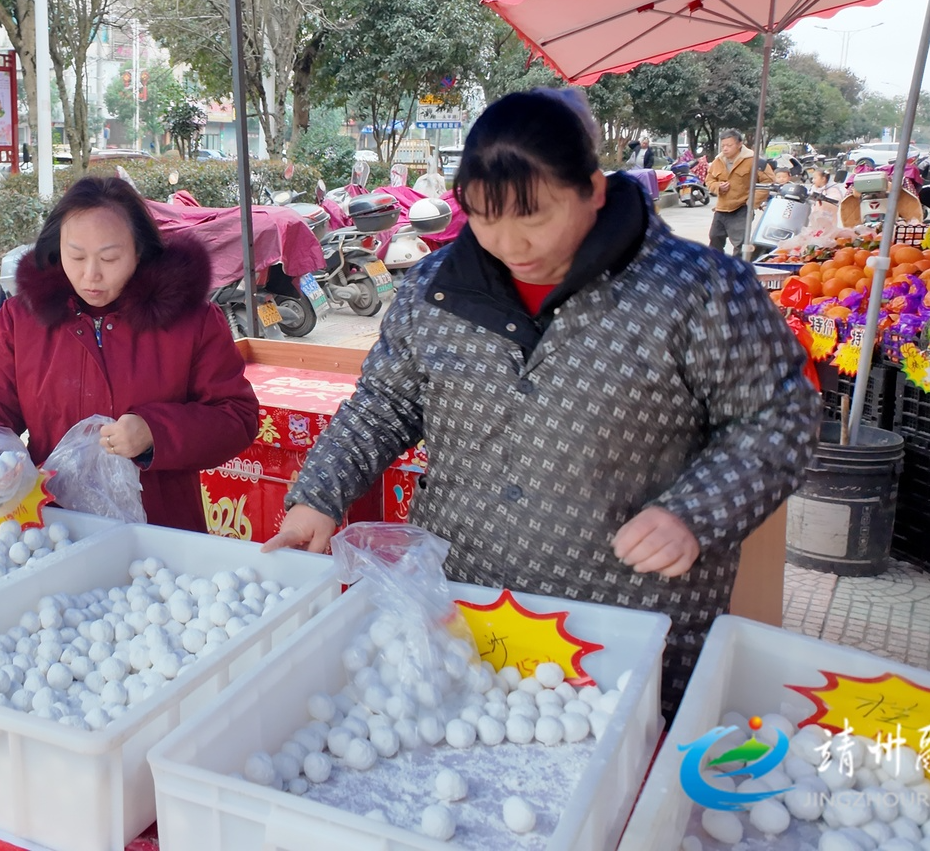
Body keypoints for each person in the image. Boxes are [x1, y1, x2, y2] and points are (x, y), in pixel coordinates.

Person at [264, 90, 814, 712]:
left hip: (620, 622)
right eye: (484, 215)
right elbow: (384, 402)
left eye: (534, 214)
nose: (510, 242)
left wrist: (694, 513)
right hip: (463, 604)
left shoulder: (700, 291)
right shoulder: (434, 288)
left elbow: (777, 421)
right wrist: (318, 495)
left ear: (594, 190)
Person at [0, 176, 259, 531]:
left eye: (110, 258)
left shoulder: (192, 321)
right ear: (57, 248)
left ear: (138, 251)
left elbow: (237, 416)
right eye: (76, 256)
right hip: (51, 524)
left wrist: (155, 433)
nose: (91, 275)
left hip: (159, 531)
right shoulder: (24, 319)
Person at [706, 130, 754, 255]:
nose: (725, 149)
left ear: (739, 144)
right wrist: (717, 186)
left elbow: (766, 182)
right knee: (715, 238)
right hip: (721, 208)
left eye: (729, 145)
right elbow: (709, 180)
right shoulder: (718, 161)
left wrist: (753, 202)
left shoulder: (752, 160)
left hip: (742, 208)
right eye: (723, 146)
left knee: (740, 243)